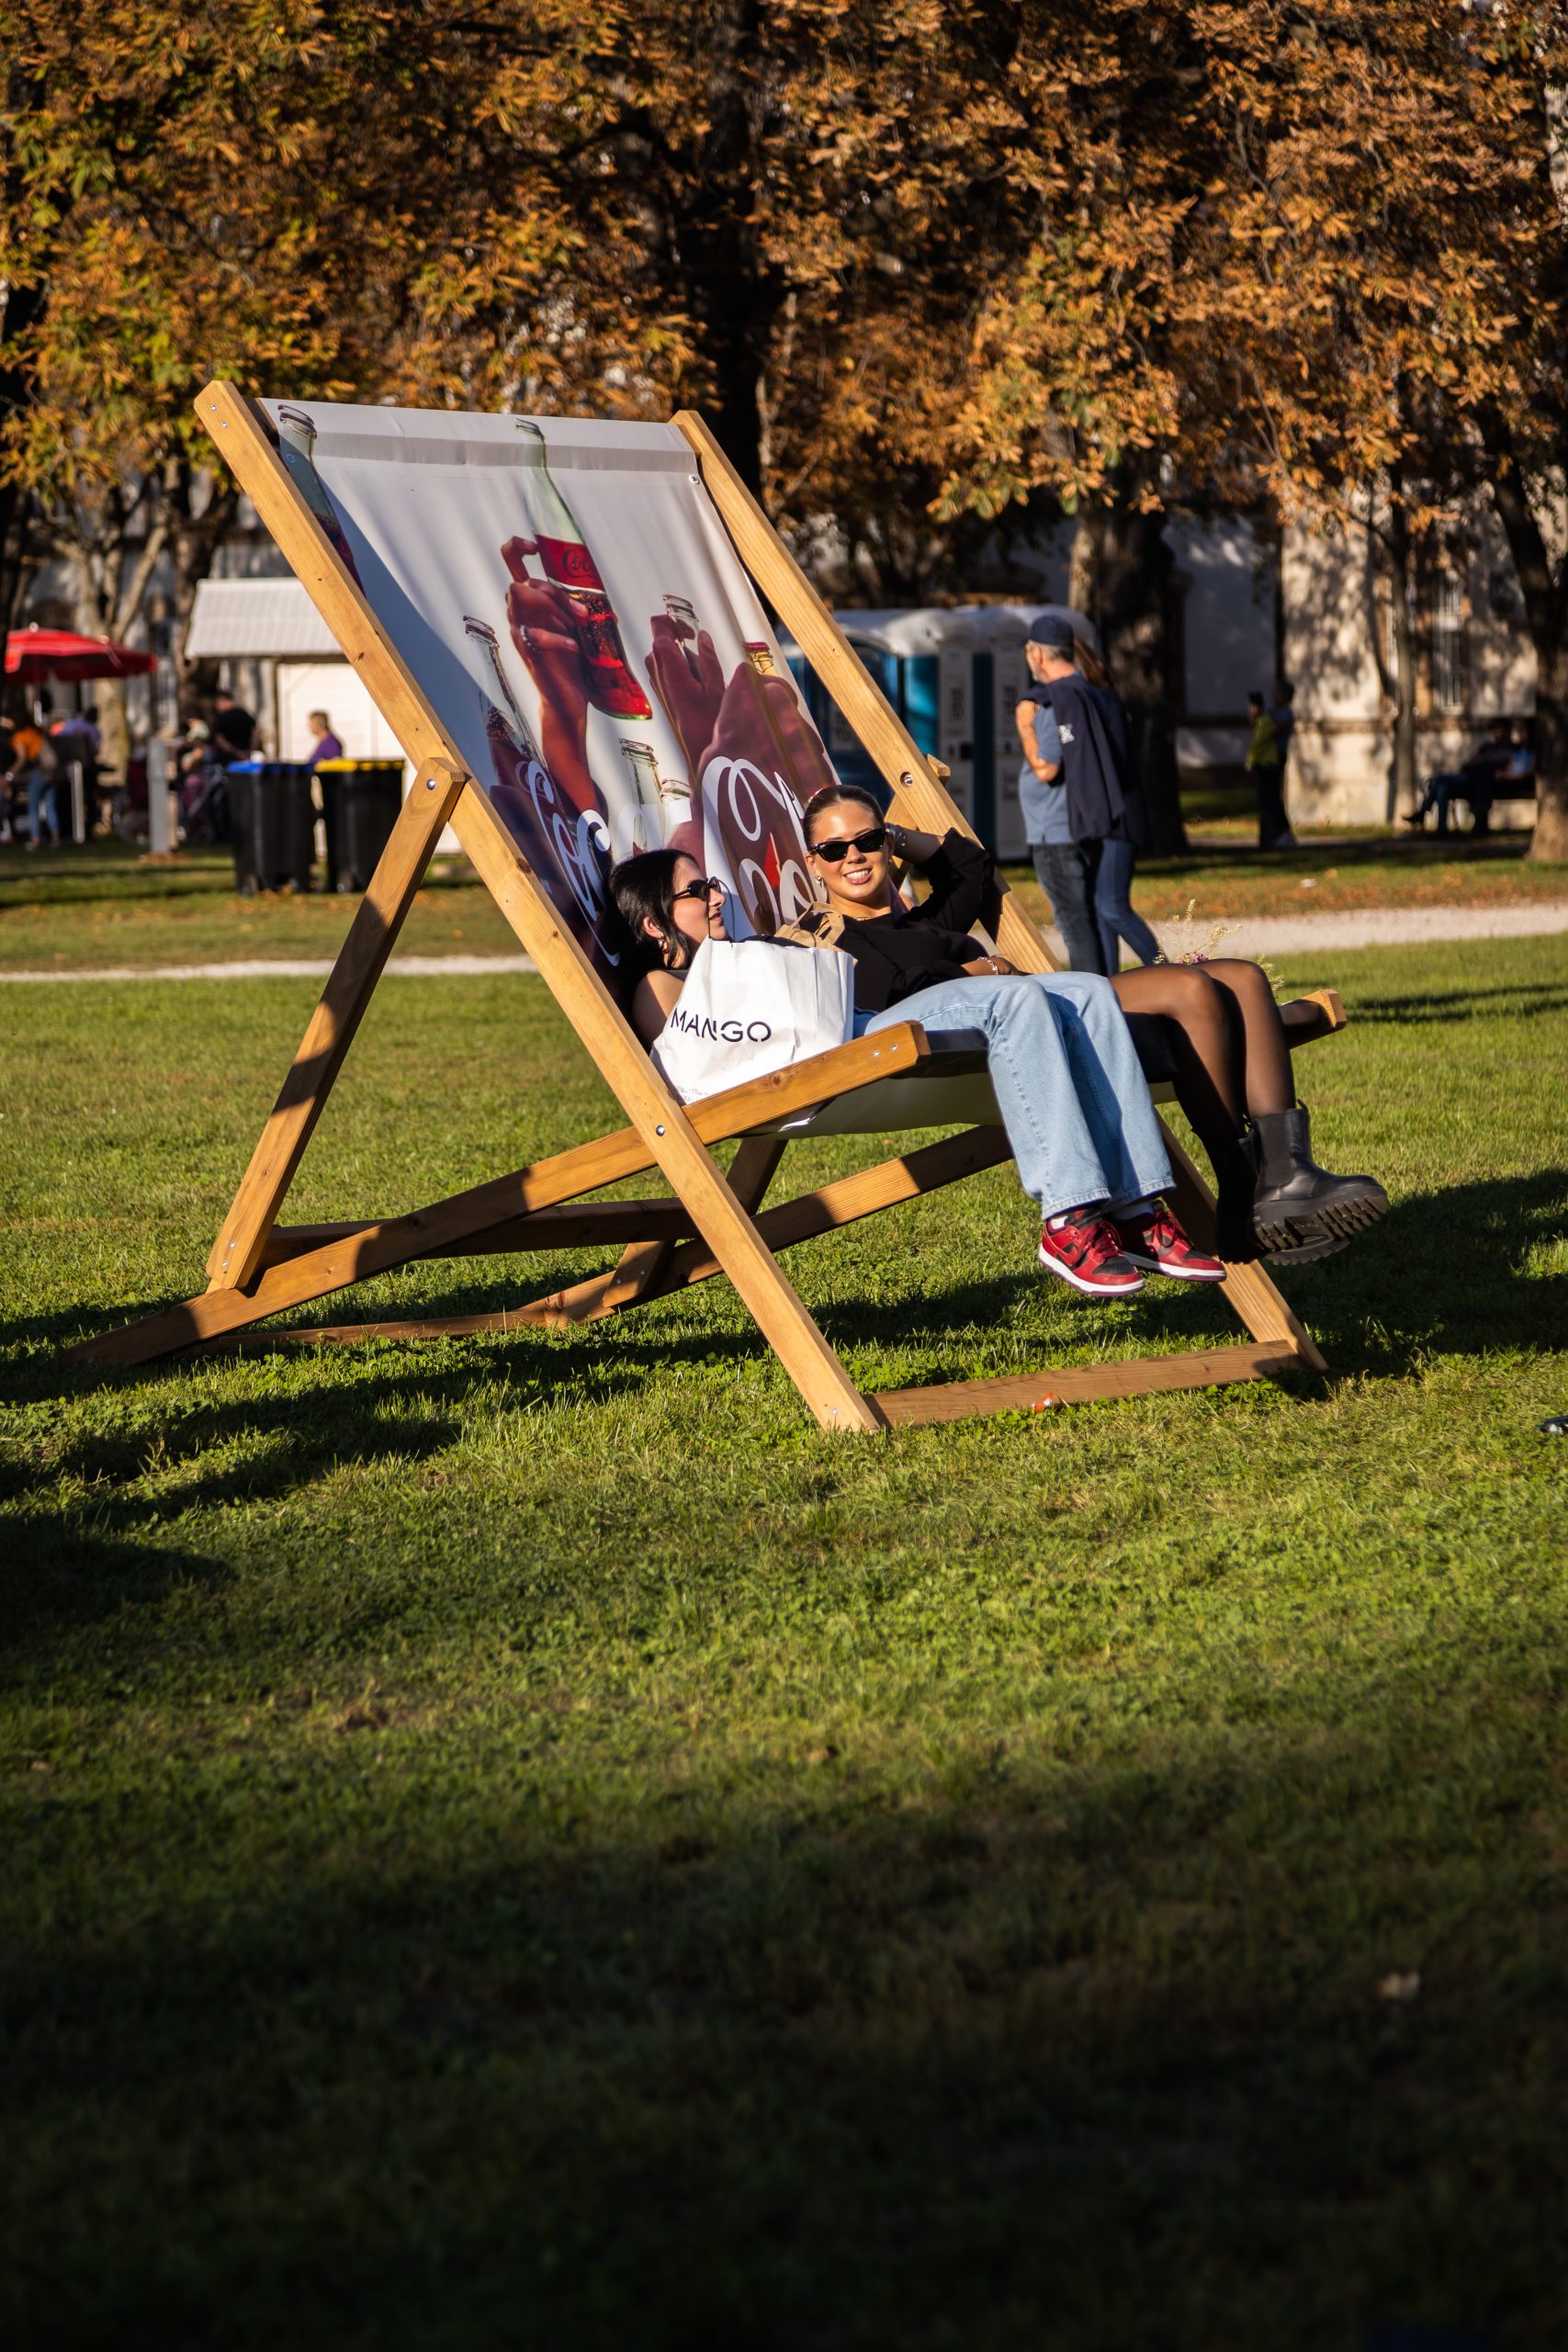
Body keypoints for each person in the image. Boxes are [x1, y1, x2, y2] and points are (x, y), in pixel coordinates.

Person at [773, 785, 1386, 1267]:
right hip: (1012, 1028)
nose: (852, 856)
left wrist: (897, 834)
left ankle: (1283, 1174)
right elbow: (893, 1000)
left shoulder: (923, 918)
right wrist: (981, 968)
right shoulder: (835, 935)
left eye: (867, 840)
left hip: (1054, 1003)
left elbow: (968, 864)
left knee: (1243, 980)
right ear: (813, 862)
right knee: (1190, 987)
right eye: (833, 849)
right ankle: (1239, 1192)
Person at [614, 822, 1226, 1298]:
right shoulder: (660, 987)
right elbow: (702, 1061)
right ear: (652, 921)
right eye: (695, 892)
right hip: (835, 1056)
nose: (714, 896)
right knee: (1011, 1001)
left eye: (711, 884)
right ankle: (1069, 1217)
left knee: (1088, 992)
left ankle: (1139, 1210)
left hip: (844, 1029)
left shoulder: (739, 953)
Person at [1017, 614, 1161, 975]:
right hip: (1096, 820)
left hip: (1089, 822)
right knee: (1098, 912)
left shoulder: (1063, 701)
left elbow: (1047, 767)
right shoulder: (1086, 695)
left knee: (1099, 912)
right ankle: (1112, 988)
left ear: (1037, 654)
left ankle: (1166, 972)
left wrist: (1024, 726)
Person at [1404, 719, 1510, 837]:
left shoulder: (1508, 748)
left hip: (1477, 782)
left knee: (1439, 778)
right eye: (1493, 730)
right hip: (1468, 776)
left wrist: (1484, 761)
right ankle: (1441, 829)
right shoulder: (1487, 747)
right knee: (1441, 788)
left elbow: (1498, 762)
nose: (1495, 733)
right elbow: (1469, 762)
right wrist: (1483, 761)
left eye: (1498, 730)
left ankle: (1423, 812)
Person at [11, 715, 59, 848]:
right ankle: (55, 837)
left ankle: (35, 838)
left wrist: (9, 775)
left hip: (41, 770)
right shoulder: (35, 731)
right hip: (53, 770)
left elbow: (22, 759)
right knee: (50, 805)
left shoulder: (19, 736)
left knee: (33, 805)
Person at [210, 686, 256, 763]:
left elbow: (219, 739)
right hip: (247, 757)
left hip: (227, 760)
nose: (217, 707)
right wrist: (250, 750)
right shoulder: (244, 714)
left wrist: (235, 752)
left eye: (217, 703)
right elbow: (256, 732)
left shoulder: (222, 718)